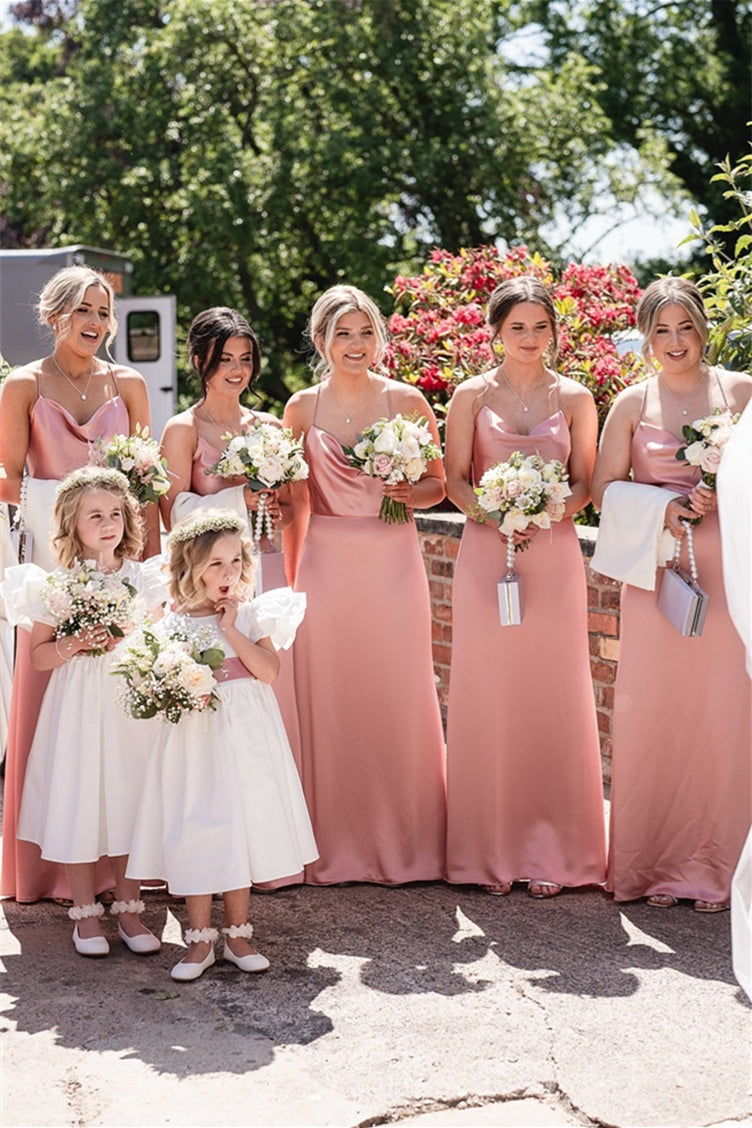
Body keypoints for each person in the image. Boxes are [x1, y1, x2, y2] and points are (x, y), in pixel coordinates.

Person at [591, 277, 752, 911]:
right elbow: (603, 489)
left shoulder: (741, 392)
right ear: (646, 337)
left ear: (705, 329)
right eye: (662, 329)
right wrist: (666, 505)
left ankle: (723, 869)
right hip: (658, 574)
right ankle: (653, 863)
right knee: (657, 714)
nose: (675, 341)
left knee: (725, 714)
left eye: (686, 327)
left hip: (731, 572)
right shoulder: (630, 404)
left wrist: (727, 495)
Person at [444, 275, 607, 897]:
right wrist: (491, 510)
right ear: (496, 332)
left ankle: (554, 850)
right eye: (518, 327)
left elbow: (587, 484)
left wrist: (544, 508)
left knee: (552, 693)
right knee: (490, 695)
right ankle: (489, 850)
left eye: (541, 326)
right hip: (487, 555)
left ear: (554, 331)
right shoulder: (467, 395)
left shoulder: (577, 397)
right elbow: (456, 479)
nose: (531, 338)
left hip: (553, 555)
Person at [0, 264, 157, 902]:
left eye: (103, 312)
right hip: (52, 554)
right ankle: (47, 869)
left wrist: (140, 557)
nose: (95, 323)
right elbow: (8, 477)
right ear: (54, 315)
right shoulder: (23, 385)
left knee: (117, 700)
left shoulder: (131, 382)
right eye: (83, 311)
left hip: (118, 557)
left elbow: (147, 484)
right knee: (50, 691)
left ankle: (124, 873)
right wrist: (64, 509)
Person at [282, 284, 447, 885]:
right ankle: (326, 841)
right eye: (342, 333)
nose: (356, 344)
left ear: (380, 338)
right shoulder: (300, 408)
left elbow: (440, 485)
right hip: (324, 562)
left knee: (395, 689)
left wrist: (411, 492)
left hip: (391, 560)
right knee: (327, 692)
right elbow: (290, 497)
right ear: (321, 340)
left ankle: (407, 845)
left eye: (365, 333)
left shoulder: (406, 402)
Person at [125, 509, 317, 981]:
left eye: (235, 562)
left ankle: (237, 934)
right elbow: (154, 684)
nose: (228, 574)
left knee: (237, 828)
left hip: (244, 744)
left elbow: (269, 673)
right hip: (193, 745)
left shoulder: (252, 615)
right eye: (215, 564)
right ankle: (199, 942)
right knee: (196, 828)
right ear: (190, 569)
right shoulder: (170, 625)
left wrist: (231, 628)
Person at [8, 467, 165, 956]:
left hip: (128, 699)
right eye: (94, 515)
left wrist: (134, 639)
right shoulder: (56, 583)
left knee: (128, 796)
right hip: (77, 702)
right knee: (82, 797)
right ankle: (84, 916)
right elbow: (36, 656)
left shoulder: (144, 577)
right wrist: (72, 643)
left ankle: (131, 911)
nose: (107, 523)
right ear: (72, 523)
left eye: (116, 513)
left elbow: (160, 637)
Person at [158, 308, 303, 804]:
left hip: (265, 563)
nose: (237, 370)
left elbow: (285, 501)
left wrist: (273, 506)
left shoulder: (266, 425)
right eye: (225, 360)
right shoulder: (182, 429)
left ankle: (270, 820)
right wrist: (236, 499)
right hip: (214, 581)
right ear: (200, 361)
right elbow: (173, 510)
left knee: (269, 679)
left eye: (245, 359)